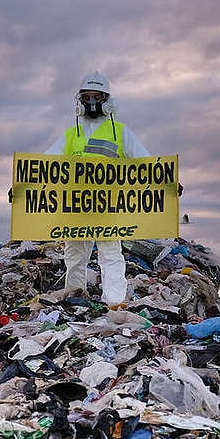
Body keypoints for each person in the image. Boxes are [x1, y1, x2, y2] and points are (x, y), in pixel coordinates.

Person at [44, 71, 150, 306]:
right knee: (74, 255)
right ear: (80, 100)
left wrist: (169, 182)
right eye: (87, 96)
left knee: (110, 253)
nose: (92, 102)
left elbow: (146, 162)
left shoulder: (120, 132)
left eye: (97, 97)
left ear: (106, 100)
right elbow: (43, 164)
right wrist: (20, 186)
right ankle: (74, 297)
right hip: (76, 206)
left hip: (108, 207)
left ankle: (114, 303)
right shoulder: (72, 134)